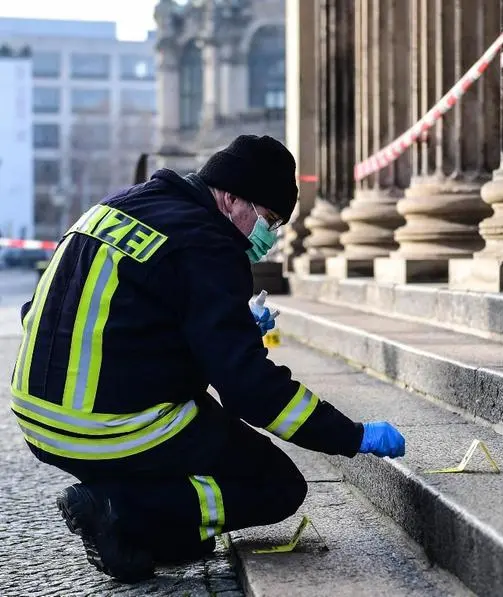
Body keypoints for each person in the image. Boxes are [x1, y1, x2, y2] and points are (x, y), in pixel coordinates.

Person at [9, 135, 406, 582]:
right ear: (231, 195)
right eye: (267, 219)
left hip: (36, 417)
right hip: (110, 426)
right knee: (274, 485)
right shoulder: (208, 244)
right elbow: (250, 391)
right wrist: (350, 435)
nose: (267, 237)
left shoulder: (114, 208)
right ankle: (120, 511)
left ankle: (137, 536)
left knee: (190, 536)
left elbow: (41, 313)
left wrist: (217, 326)